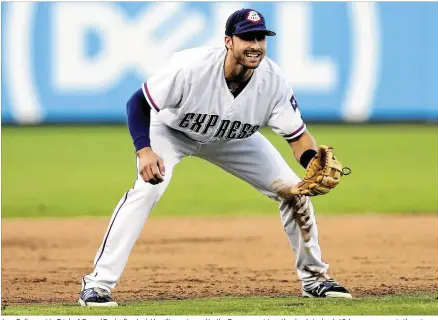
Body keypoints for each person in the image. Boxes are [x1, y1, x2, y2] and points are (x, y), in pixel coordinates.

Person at [78, 8, 352, 307]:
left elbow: (297, 137)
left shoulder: (273, 81)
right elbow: (138, 102)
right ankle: (97, 285)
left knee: (293, 192)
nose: (255, 45)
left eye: (260, 38)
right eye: (247, 38)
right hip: (172, 131)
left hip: (234, 138)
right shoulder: (191, 67)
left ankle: (314, 280)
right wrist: (144, 151)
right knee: (148, 189)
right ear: (228, 41)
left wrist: (312, 161)